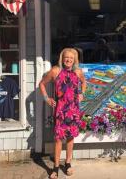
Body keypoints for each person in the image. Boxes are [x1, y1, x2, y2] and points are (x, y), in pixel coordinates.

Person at [39, 48, 86, 178]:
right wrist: (47, 98)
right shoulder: (55, 71)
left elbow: (84, 83)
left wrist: (82, 93)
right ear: (62, 58)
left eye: (71, 58)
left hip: (74, 109)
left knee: (70, 137)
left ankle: (68, 163)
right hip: (60, 109)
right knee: (58, 139)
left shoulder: (78, 71)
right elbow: (42, 84)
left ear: (74, 60)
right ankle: (55, 167)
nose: (68, 60)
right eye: (66, 57)